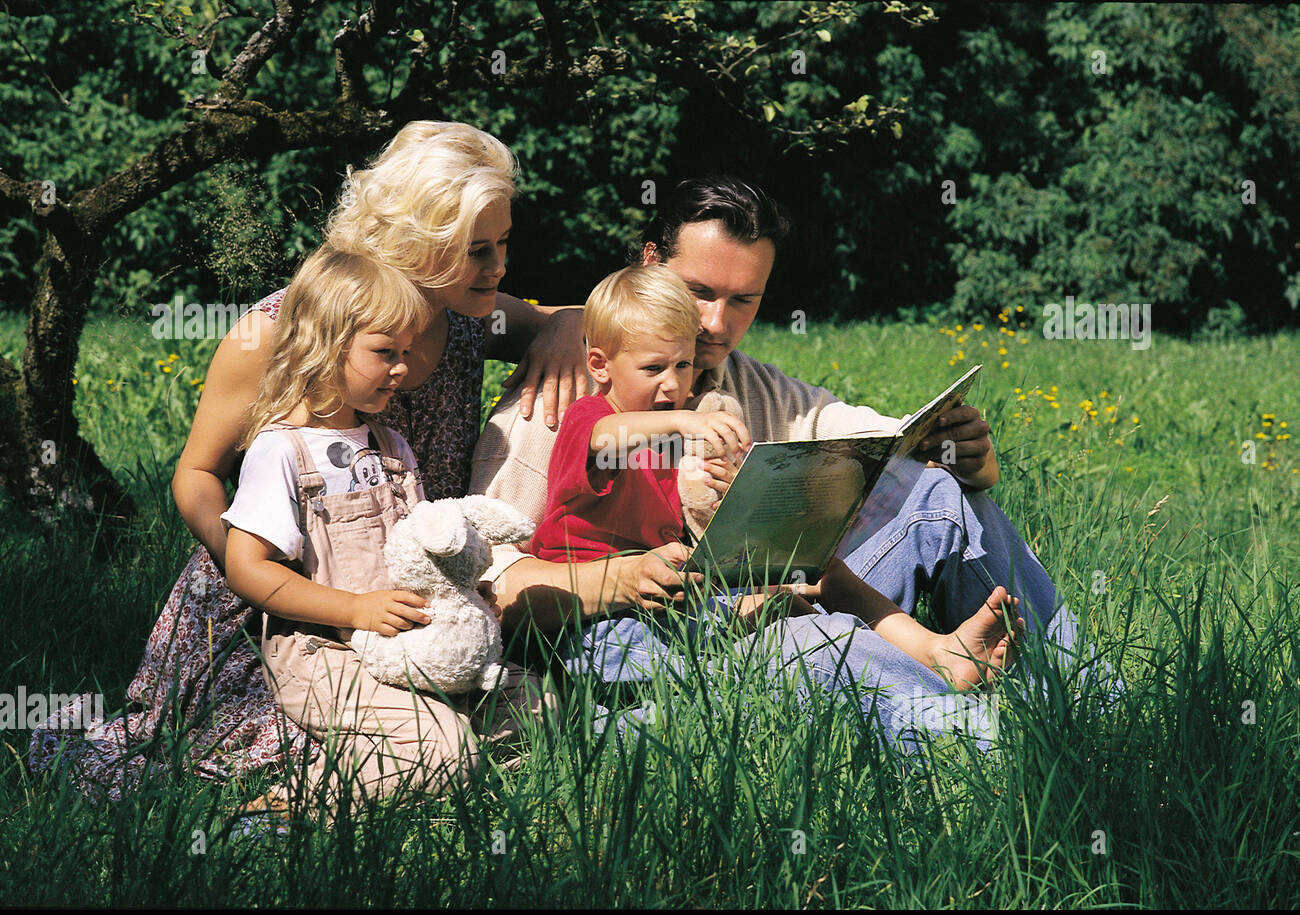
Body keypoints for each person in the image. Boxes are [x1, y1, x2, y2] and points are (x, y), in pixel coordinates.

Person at [29, 121, 585, 800]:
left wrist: (562, 326)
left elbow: (571, 316)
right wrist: (270, 572)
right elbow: (195, 476)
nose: (499, 268)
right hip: (287, 601)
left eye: (502, 244)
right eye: (477, 251)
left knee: (524, 723)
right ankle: (281, 801)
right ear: (413, 240)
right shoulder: (282, 332)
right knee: (379, 749)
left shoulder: (468, 315)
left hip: (406, 596)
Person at [471, 176, 1109, 743]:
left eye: (744, 299)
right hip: (623, 633)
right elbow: (492, 585)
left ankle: (1084, 693)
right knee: (803, 639)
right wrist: (624, 578)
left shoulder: (747, 384)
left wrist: (966, 455)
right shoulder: (564, 397)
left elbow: (876, 436)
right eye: (698, 291)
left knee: (939, 497)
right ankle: (989, 741)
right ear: (650, 266)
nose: (716, 324)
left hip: (717, 602)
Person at [532, 263, 1021, 692]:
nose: (674, 383)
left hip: (670, 599)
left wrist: (738, 492)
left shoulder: (670, 438)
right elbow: (608, 436)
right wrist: (683, 421)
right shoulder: (589, 418)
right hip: (593, 626)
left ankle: (938, 651)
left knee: (822, 576)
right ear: (599, 365)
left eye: (683, 364)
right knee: (768, 631)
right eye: (653, 367)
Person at [220, 245, 549, 823]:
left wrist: (468, 593)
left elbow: (422, 550)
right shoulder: (282, 450)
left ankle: (430, 754)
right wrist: (354, 608)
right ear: (322, 345)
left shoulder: (390, 446)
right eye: (384, 353)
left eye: (405, 352)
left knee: (540, 702)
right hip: (322, 650)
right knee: (444, 750)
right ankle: (284, 807)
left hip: (410, 640)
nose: (402, 368)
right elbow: (248, 568)